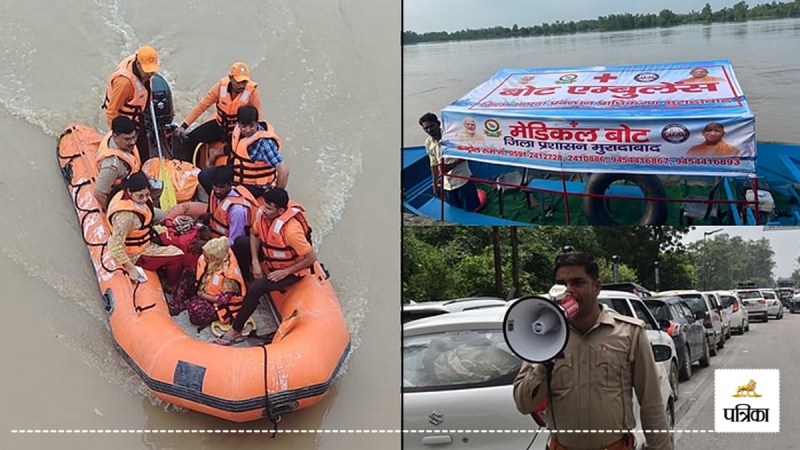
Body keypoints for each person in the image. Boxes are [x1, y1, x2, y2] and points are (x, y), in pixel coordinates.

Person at [513, 251, 672, 450]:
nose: (568, 291)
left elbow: (651, 403)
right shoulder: (544, 338)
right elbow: (524, 404)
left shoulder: (629, 333)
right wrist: (544, 360)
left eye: (577, 282)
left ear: (596, 287)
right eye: (561, 284)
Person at [214, 187, 315, 346]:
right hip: (270, 258)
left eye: (269, 208)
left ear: (280, 210)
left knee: (257, 288)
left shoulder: (291, 231)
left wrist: (285, 272)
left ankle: (236, 330)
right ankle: (245, 283)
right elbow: (254, 235)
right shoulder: (262, 215)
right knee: (241, 243)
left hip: (291, 269)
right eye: (265, 205)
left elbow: (311, 258)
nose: (264, 209)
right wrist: (255, 262)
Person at [163, 166, 258, 278]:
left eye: (222, 187)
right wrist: (199, 217)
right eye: (215, 186)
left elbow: (233, 241)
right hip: (215, 236)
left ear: (230, 185)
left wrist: (206, 245)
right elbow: (216, 215)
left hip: (230, 246)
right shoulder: (216, 194)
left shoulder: (237, 210)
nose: (217, 190)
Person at [106, 171, 190, 293]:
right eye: (140, 196)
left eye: (147, 195)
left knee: (172, 233)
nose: (145, 199)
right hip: (137, 252)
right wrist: (130, 268)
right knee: (177, 255)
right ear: (130, 192)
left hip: (144, 235)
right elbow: (115, 246)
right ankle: (170, 287)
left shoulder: (125, 195)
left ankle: (163, 268)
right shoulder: (126, 217)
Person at [175, 62, 263, 163]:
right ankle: (186, 167)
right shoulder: (221, 87)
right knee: (190, 139)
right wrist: (184, 126)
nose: (242, 85)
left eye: (244, 82)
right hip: (219, 125)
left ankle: (218, 152)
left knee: (239, 150)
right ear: (230, 78)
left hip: (239, 131)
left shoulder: (252, 92)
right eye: (238, 82)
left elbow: (258, 117)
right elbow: (203, 105)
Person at [197, 105, 289, 199]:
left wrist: (276, 195)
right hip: (237, 174)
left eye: (252, 126)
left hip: (255, 186)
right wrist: (217, 153)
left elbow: (283, 170)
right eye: (244, 126)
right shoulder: (238, 130)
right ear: (239, 123)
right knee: (204, 176)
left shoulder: (265, 144)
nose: (248, 130)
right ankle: (216, 202)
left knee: (228, 194)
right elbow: (235, 149)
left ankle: (225, 204)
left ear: (257, 123)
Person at [102, 45, 161, 161]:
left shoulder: (142, 68)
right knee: (134, 149)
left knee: (143, 146)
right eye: (147, 70)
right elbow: (111, 112)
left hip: (139, 114)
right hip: (126, 122)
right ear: (138, 64)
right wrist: (118, 136)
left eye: (152, 70)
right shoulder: (124, 84)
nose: (150, 74)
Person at [419, 112, 481, 211]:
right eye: (426, 128)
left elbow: (469, 154)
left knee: (472, 210)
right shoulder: (428, 143)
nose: (429, 130)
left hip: (462, 180)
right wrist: (434, 183)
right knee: (455, 210)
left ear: (438, 124)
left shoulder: (453, 137)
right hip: (447, 185)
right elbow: (433, 164)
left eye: (432, 126)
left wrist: (452, 165)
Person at [194, 237, 246, 325]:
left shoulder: (228, 278)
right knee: (187, 273)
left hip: (219, 303)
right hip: (205, 289)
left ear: (216, 258)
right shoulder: (214, 260)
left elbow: (223, 300)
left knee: (196, 310)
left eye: (207, 257)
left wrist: (202, 295)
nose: (204, 258)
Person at [94, 116, 142, 208]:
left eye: (134, 137)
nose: (133, 142)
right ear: (115, 137)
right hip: (121, 192)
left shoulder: (119, 140)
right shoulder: (112, 166)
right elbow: (99, 193)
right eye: (127, 139)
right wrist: (113, 212)